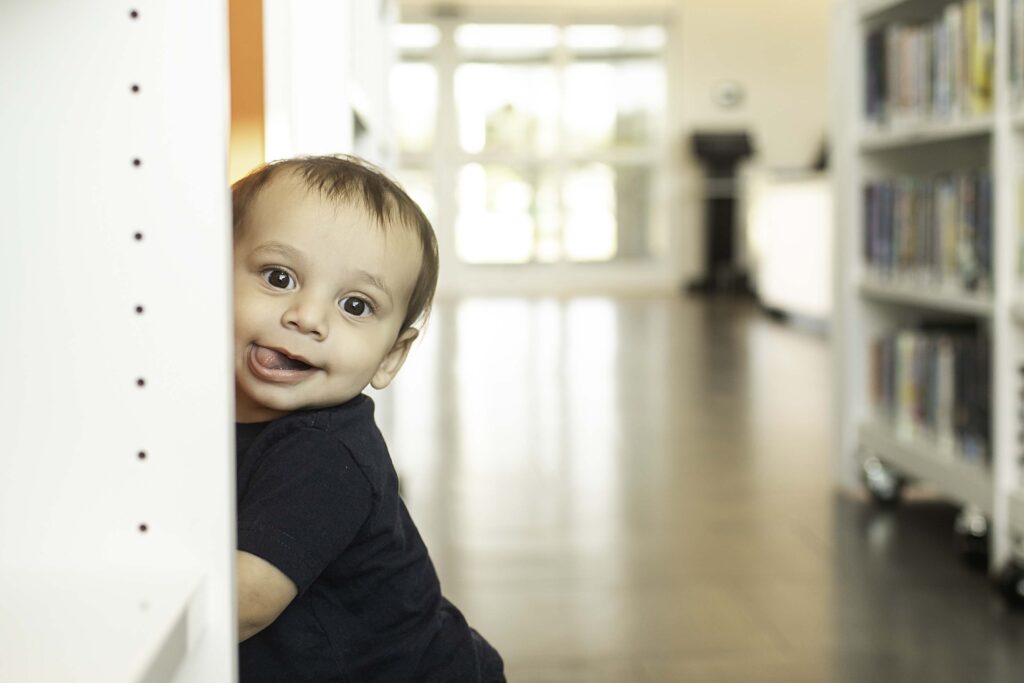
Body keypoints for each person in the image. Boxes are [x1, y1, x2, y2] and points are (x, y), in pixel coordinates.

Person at [231, 155, 504, 682]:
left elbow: (246, 602)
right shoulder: (190, 405)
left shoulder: (325, 454)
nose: (307, 318)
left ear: (390, 358)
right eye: (278, 276)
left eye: (355, 306)